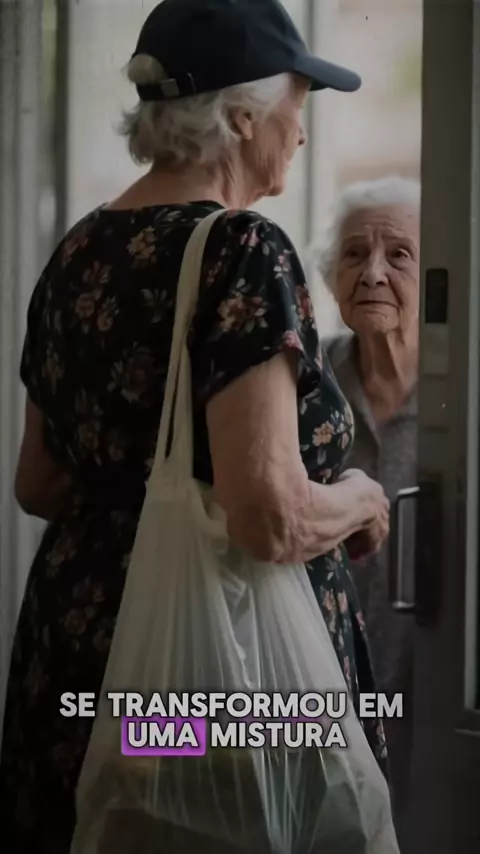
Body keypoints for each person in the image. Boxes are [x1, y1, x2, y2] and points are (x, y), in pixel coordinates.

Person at [0, 2, 392, 851]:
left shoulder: (77, 252)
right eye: (297, 104)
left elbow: (39, 483)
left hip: (84, 662)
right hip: (212, 682)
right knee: (214, 828)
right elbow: (269, 519)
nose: (302, 131)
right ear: (243, 118)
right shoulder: (242, 249)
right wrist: (363, 498)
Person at [316, 175, 420, 847]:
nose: (374, 272)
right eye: (355, 253)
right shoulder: (304, 382)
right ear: (331, 276)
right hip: (324, 681)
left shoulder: (462, 395)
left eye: (399, 254)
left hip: (435, 682)